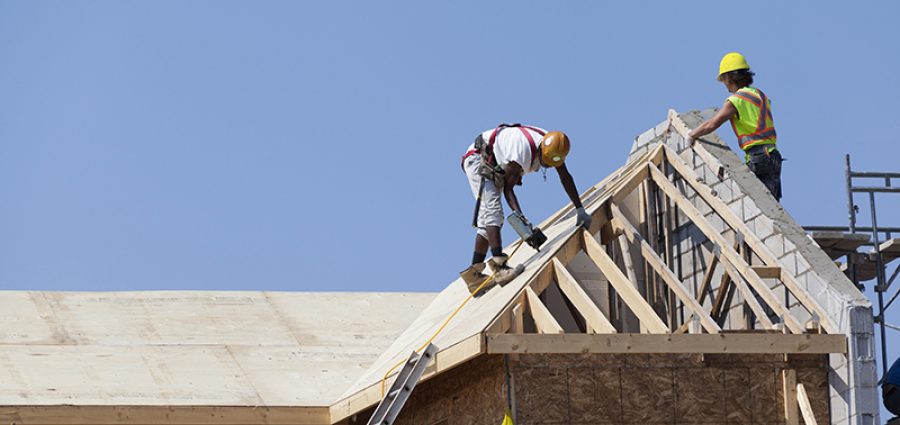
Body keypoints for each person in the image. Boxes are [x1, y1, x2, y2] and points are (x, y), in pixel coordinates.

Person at [459, 123, 592, 295]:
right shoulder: (521, 153)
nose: (548, 167)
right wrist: (523, 223)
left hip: (494, 161)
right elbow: (508, 189)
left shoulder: (553, 145)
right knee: (493, 213)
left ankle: (474, 276)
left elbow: (565, 177)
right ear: (541, 152)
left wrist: (580, 209)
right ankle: (500, 269)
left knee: (488, 222)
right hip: (478, 160)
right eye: (546, 163)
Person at [689, 52, 783, 201]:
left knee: (753, 202)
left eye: (724, 80)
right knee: (771, 203)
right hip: (773, 156)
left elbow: (712, 123)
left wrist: (692, 134)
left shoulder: (737, 100)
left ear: (729, 78)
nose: (724, 84)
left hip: (758, 156)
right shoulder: (760, 95)